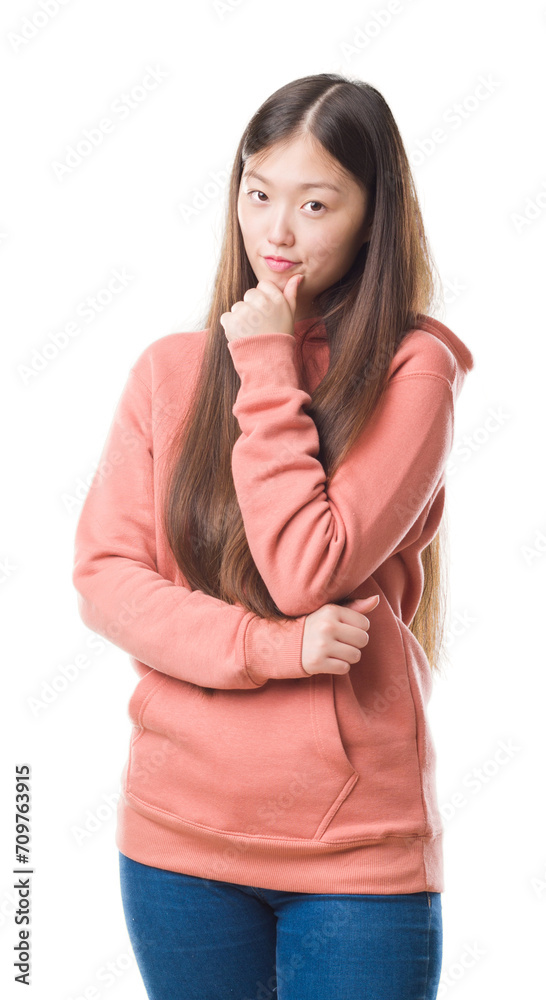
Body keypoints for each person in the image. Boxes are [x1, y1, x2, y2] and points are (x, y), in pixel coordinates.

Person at [72, 72, 474, 1000]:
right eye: (258, 193)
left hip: (353, 856)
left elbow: (305, 568)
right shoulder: (169, 372)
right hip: (175, 843)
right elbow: (106, 580)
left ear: (374, 216)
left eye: (315, 202)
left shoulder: (415, 373)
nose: (276, 233)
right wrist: (275, 651)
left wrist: (264, 355)